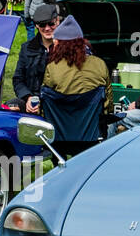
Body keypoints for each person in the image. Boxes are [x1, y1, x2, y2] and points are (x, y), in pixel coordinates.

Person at [41, 15, 112, 155]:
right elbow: (108, 105)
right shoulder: (100, 64)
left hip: (60, 138)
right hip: (92, 137)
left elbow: (45, 103)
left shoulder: (52, 68)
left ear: (60, 45)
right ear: (81, 42)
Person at [8, 3, 59, 114]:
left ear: (57, 21)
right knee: (10, 106)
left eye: (51, 24)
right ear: (36, 26)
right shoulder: (27, 48)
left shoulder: (66, 47)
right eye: (42, 25)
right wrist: (28, 97)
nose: (47, 28)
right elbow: (18, 79)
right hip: (33, 101)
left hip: (56, 104)